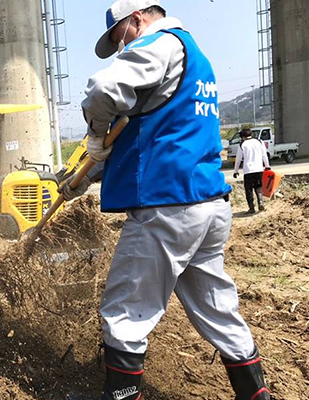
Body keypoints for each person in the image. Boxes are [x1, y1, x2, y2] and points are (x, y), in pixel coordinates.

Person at [61, 1, 270, 399]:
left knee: (124, 310)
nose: (122, 50)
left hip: (167, 208)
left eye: (120, 37)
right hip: (205, 206)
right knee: (216, 309)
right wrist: (82, 178)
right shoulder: (194, 58)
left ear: (137, 19)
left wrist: (94, 135)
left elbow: (102, 90)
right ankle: (256, 395)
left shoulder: (160, 44)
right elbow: (150, 139)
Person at [233, 128, 271, 214]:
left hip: (248, 170)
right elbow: (264, 155)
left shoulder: (242, 144)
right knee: (259, 187)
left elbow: (238, 159)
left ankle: (251, 208)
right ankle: (261, 203)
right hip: (259, 169)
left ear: (242, 137)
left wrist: (236, 171)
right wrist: (267, 166)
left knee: (249, 190)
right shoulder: (259, 142)